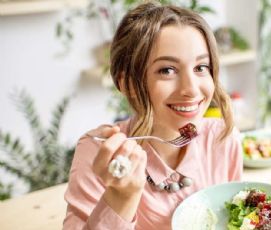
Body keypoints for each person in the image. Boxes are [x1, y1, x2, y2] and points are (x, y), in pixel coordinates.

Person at [63, 1, 243, 229]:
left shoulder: (222, 138)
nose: (191, 89)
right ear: (127, 83)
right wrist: (122, 197)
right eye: (167, 70)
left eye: (201, 68)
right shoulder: (99, 153)